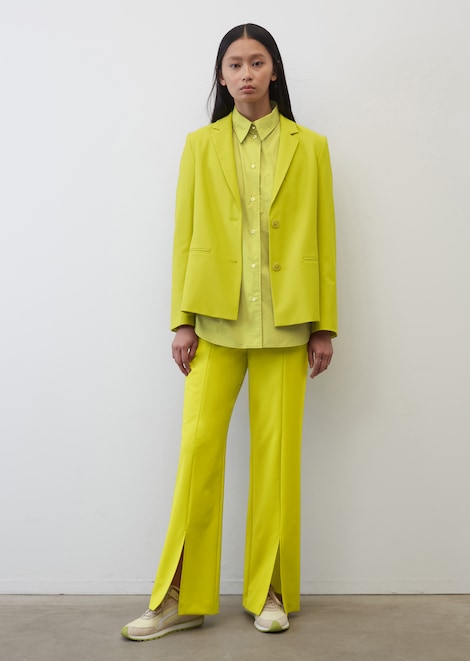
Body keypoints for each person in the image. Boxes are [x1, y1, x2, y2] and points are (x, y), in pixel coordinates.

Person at [121, 22, 337, 641]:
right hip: (214, 324)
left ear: (274, 71)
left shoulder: (310, 147)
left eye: (257, 62)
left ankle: (269, 592)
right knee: (198, 455)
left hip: (288, 325)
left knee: (276, 462)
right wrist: (180, 320)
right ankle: (179, 598)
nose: (246, 73)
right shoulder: (200, 145)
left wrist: (324, 327)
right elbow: (185, 235)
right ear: (221, 75)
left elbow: (324, 238)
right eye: (235, 64)